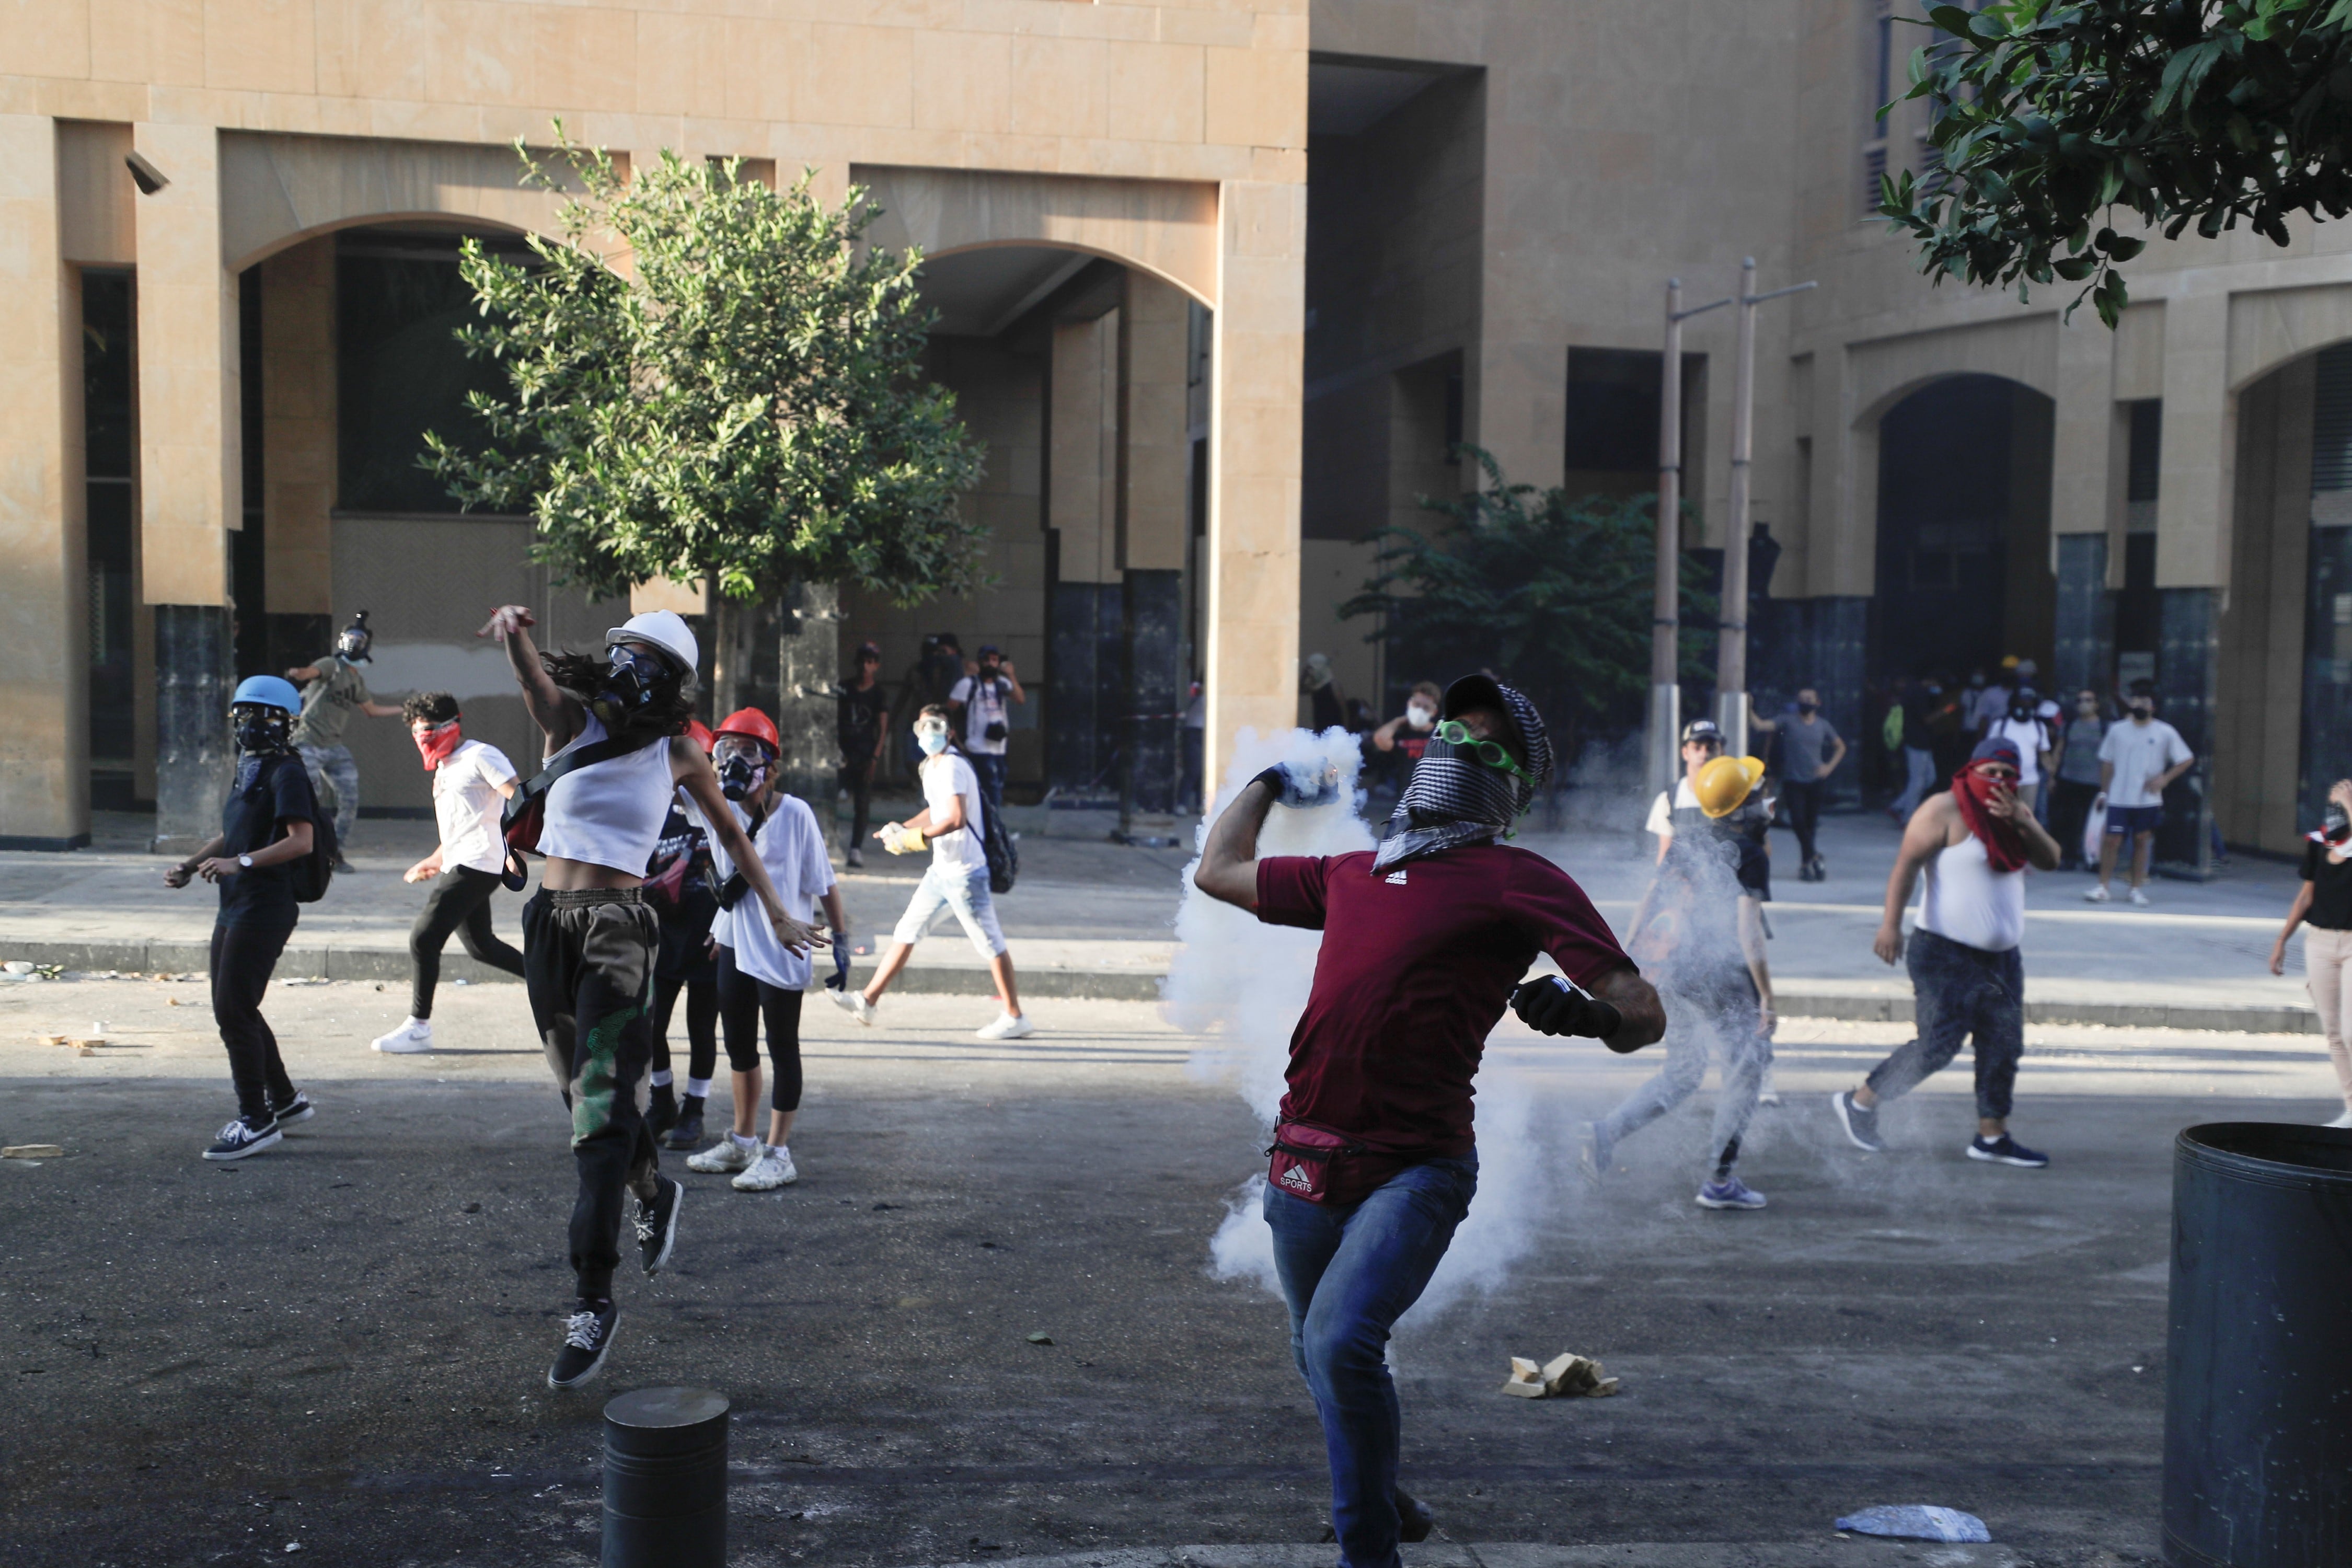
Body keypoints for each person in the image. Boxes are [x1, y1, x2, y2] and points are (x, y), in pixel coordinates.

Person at [1190, 674, 1664, 1568]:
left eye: (1483, 746)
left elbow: (1643, 1010)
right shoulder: (1355, 871)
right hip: (1302, 1159)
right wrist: (1267, 784)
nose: (1453, 748)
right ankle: (1384, 1496)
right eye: (1450, 731)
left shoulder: (1518, 878)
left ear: (1511, 788)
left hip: (1416, 1168)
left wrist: (1594, 1017)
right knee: (1319, 1351)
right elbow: (1218, 873)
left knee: (1340, 1341)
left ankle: (1369, 1550)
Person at [480, 603, 825, 1391]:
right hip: (549, 925)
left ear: (671, 683)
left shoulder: (676, 752)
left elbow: (731, 837)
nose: (630, 670)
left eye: (647, 659)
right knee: (583, 1105)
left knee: (597, 1124)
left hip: (620, 932)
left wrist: (775, 906)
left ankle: (591, 1299)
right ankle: (652, 1187)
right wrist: (516, 632)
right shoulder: (573, 727)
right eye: (623, 654)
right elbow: (536, 683)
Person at [1832, 737, 2060, 1168]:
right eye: (1989, 771)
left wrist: (2025, 823)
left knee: (2003, 1043)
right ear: (1971, 770)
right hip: (1943, 952)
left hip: (2003, 958)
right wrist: (1889, 925)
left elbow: (2051, 860)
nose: (1998, 780)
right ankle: (1859, 1102)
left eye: (2007, 774)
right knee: (1938, 1044)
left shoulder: (2015, 814)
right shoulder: (1943, 809)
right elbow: (1905, 865)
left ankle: (1991, 1137)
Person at [1593, 752, 1778, 1208]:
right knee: (1747, 1065)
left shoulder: (1686, 841)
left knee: (1684, 1070)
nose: (1766, 799)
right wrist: (1768, 996)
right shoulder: (1750, 854)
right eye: (1758, 792)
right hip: (1719, 977)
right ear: (1742, 804)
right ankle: (1720, 1180)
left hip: (1669, 971)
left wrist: (1629, 961)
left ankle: (1606, 1132)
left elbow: (1649, 902)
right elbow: (1747, 930)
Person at [685, 709, 850, 1191]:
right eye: (725, 751)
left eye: (748, 751)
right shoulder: (715, 805)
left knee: (783, 1047)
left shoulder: (795, 813)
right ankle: (743, 1140)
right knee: (738, 1045)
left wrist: (841, 941)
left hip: (785, 946)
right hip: (736, 940)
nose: (735, 760)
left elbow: (825, 885)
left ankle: (779, 1153)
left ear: (770, 764)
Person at [162, 676, 322, 1161]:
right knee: (236, 1006)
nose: (252, 725)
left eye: (264, 715)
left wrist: (243, 863)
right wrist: (191, 865)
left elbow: (302, 841)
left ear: (286, 723)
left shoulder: (287, 772)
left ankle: (256, 1120)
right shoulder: (249, 768)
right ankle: (287, 1102)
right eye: (244, 715)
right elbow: (231, 835)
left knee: (233, 1010)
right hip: (234, 903)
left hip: (266, 906)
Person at [834, 706, 1032, 1040]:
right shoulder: (932, 766)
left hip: (966, 874)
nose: (928, 733)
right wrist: (901, 828)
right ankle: (867, 1001)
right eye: (921, 726)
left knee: (989, 943)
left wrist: (915, 838)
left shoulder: (953, 764)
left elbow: (955, 818)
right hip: (941, 872)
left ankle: (1015, 1015)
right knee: (907, 930)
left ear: (950, 731)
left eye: (935, 725)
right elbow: (935, 811)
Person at [368, 692, 526, 1055]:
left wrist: (516, 848)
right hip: (461, 861)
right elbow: (462, 826)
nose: (420, 739)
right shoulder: (445, 766)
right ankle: (560, 992)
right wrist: (435, 859)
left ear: (452, 725)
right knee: (482, 947)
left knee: (424, 938)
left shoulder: (480, 756)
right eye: (415, 733)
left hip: (480, 864)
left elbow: (518, 800)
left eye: (426, 731)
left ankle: (418, 1027)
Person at [649, 719, 722, 1150]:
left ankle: (694, 1109)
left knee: (701, 1029)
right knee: (652, 1025)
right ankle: (662, 1101)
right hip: (665, 937)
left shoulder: (721, 811)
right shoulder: (656, 810)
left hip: (708, 939)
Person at [286, 610, 405, 864]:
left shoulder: (355, 679)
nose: (354, 643)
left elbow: (371, 710)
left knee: (350, 800)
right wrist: (299, 673)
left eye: (359, 640)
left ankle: (333, 853)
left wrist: (405, 709)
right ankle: (305, 850)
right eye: (351, 638)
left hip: (334, 746)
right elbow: (311, 672)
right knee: (309, 798)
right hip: (308, 742)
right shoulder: (332, 665)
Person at [2267, 786, 2352, 1129]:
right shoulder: (2320, 843)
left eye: (2342, 806)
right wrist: (2281, 941)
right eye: (2333, 804)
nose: (2336, 811)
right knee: (2332, 1030)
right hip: (2319, 942)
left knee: (2351, 1031)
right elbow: (2305, 898)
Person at [2089, 681, 2194, 905]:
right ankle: (2102, 887)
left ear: (2153, 707)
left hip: (2147, 799)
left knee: (2141, 840)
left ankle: (2136, 889)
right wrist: (2104, 792)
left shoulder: (2165, 732)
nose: (2139, 704)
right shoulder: (2117, 730)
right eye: (2136, 700)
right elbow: (2106, 762)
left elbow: (2186, 759)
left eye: (2145, 702)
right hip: (2118, 796)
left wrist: (2165, 779)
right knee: (2112, 840)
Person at [1753, 687, 1844, 881]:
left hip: (1816, 780)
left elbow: (1840, 747)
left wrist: (1828, 767)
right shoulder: (1788, 720)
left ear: (1817, 703)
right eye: (1802, 698)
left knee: (1810, 825)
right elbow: (1761, 726)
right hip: (1793, 779)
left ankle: (1806, 865)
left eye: (1809, 698)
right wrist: (1747, 707)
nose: (1805, 701)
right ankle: (1814, 856)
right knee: (1798, 822)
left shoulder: (1823, 725)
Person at [949, 644, 1024, 827]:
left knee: (996, 787)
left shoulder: (1002, 684)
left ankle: (988, 826)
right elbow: (950, 708)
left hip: (999, 746)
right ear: (980, 662)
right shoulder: (969, 684)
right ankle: (991, 828)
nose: (990, 664)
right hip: (978, 746)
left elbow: (1020, 699)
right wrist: (957, 737)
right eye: (986, 660)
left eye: (994, 660)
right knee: (990, 792)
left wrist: (1011, 675)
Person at [837, 642, 890, 868]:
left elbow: (883, 728)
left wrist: (875, 758)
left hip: (865, 755)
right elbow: (834, 721)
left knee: (862, 803)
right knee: (834, 796)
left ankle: (856, 848)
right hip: (843, 754)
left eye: (870, 662)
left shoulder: (878, 693)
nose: (865, 667)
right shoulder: (845, 688)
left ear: (876, 666)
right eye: (863, 661)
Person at [1644, 718, 1725, 862]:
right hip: (1682, 881)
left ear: (1721, 752)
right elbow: (1665, 855)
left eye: (1711, 748)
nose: (1704, 754)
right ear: (1685, 752)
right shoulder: (1669, 800)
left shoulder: (1735, 795)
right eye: (1697, 748)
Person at [2047, 689, 2107, 870]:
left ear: (2097, 704)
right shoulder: (2070, 724)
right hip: (2069, 778)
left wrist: (2108, 784)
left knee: (2094, 824)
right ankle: (2069, 857)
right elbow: (2059, 750)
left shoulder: (2105, 727)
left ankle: (2093, 858)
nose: (2084, 704)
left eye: (2089, 700)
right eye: (2080, 700)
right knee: (2068, 821)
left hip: (2094, 781)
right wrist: (2052, 776)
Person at [1986, 686, 2054, 820]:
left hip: (2031, 782)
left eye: (2029, 702)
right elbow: (1988, 753)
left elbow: (2044, 755)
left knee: (2026, 818)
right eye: (2021, 701)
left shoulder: (2040, 727)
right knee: (2001, 817)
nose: (2025, 705)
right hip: (2005, 781)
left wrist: (2051, 777)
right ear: (2013, 703)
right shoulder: (2001, 725)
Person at [1890, 676, 1947, 819]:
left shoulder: (1915, 691)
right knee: (1918, 781)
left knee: (1929, 778)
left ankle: (1898, 806)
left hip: (1921, 742)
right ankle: (1907, 817)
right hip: (1917, 742)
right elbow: (1927, 719)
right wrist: (1946, 711)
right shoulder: (1919, 693)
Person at [1301, 652, 1346, 732]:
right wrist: (1304, 674)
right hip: (1320, 728)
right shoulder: (1315, 686)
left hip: (1334, 730)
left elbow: (1344, 710)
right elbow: (1300, 690)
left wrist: (1346, 730)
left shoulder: (1333, 685)